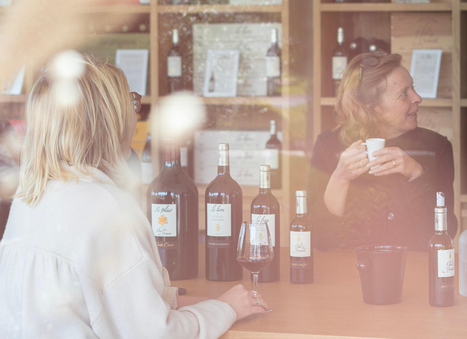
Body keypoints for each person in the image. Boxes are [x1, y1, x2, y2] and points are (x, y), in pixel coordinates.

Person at [0, 53, 269, 338]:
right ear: (107, 123)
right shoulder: (106, 208)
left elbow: (95, 301)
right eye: (129, 104)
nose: (135, 113)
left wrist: (175, 302)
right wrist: (225, 308)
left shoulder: (30, 198)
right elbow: (157, 335)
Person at [307, 50, 458, 251]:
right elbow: (317, 238)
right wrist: (340, 178)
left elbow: (444, 235)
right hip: (345, 273)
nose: (418, 97)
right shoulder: (328, 145)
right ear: (372, 107)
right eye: (404, 94)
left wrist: (417, 175)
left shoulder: (437, 147)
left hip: (414, 273)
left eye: (412, 87)